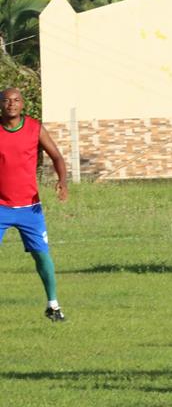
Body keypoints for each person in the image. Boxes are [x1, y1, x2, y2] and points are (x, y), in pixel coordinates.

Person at [0, 87, 69, 321]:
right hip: (0, 207)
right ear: (1, 104)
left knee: (42, 256)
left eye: (16, 100)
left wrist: (62, 181)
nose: (12, 104)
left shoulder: (34, 128)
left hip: (30, 208)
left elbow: (57, 157)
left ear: (23, 104)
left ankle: (53, 306)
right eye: (7, 100)